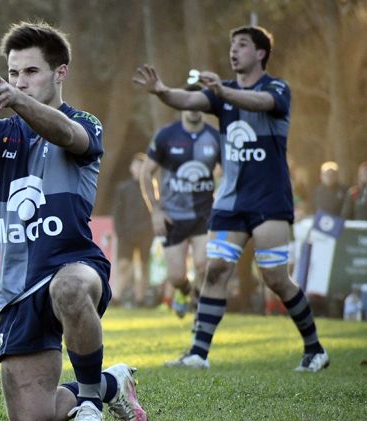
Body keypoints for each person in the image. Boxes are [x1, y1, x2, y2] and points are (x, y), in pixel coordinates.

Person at [0, 22, 148, 421]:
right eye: (12, 73)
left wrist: (16, 101)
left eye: (30, 72)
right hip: (18, 285)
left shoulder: (85, 123)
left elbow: (67, 134)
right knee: (32, 419)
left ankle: (88, 407)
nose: (18, 82)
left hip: (74, 265)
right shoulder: (3, 133)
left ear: (60, 72)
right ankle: (110, 383)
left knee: (68, 289)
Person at [134, 25, 329, 372]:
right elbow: (189, 99)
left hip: (270, 201)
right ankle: (198, 353)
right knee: (215, 271)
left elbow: (263, 102)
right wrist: (161, 90)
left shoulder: (277, 87)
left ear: (260, 54)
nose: (233, 51)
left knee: (275, 278)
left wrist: (223, 91)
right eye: (231, 46)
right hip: (230, 202)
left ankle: (315, 349)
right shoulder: (219, 93)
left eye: (242, 45)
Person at [139, 91, 220, 318]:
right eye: (189, 102)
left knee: (204, 264)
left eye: (199, 103)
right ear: (182, 105)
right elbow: (146, 173)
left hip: (204, 214)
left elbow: (229, 174)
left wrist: (222, 197)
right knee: (175, 276)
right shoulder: (167, 135)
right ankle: (184, 291)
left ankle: (198, 304)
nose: (194, 108)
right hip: (172, 216)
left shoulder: (215, 136)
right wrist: (156, 210)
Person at [112, 154, 154, 307]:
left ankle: (140, 299)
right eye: (136, 166)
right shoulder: (123, 188)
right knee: (124, 265)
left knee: (143, 266)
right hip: (127, 233)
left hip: (146, 233)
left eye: (141, 166)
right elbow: (117, 212)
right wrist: (120, 231)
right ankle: (115, 297)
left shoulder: (152, 187)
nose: (138, 169)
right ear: (131, 168)